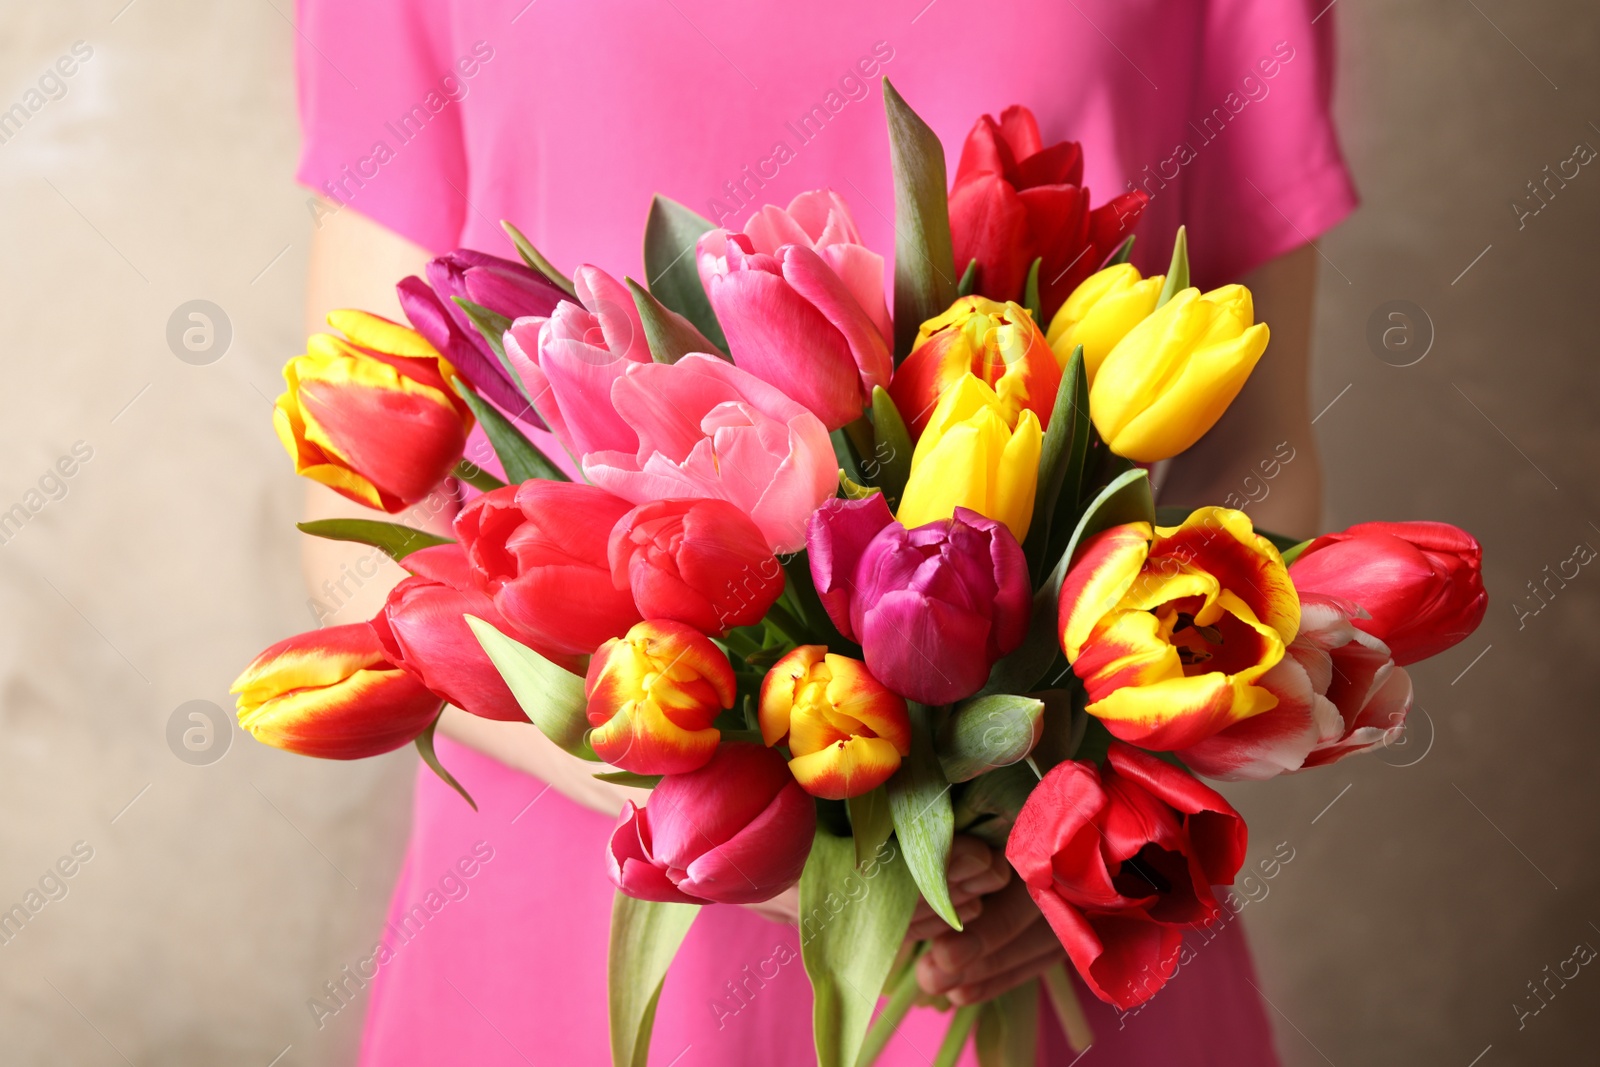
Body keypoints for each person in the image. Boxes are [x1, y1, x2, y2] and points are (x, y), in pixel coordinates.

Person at [293, 1, 1354, 1062]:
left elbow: (1253, 458)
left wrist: (1071, 827)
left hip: (1055, 906)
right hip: (572, 904)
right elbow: (361, 525)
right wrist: (761, 843)